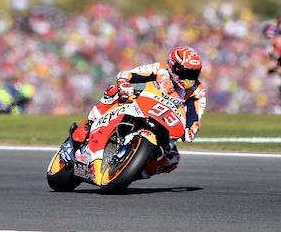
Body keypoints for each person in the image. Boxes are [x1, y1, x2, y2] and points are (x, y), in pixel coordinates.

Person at [69, 46, 207, 179]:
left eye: (194, 73)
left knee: (172, 159)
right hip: (142, 103)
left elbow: (195, 115)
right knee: (114, 90)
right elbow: (127, 74)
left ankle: (130, 173)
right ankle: (88, 124)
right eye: (187, 73)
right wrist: (124, 83)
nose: (190, 78)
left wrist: (190, 129)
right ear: (173, 66)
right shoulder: (159, 70)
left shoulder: (197, 91)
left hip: (165, 121)